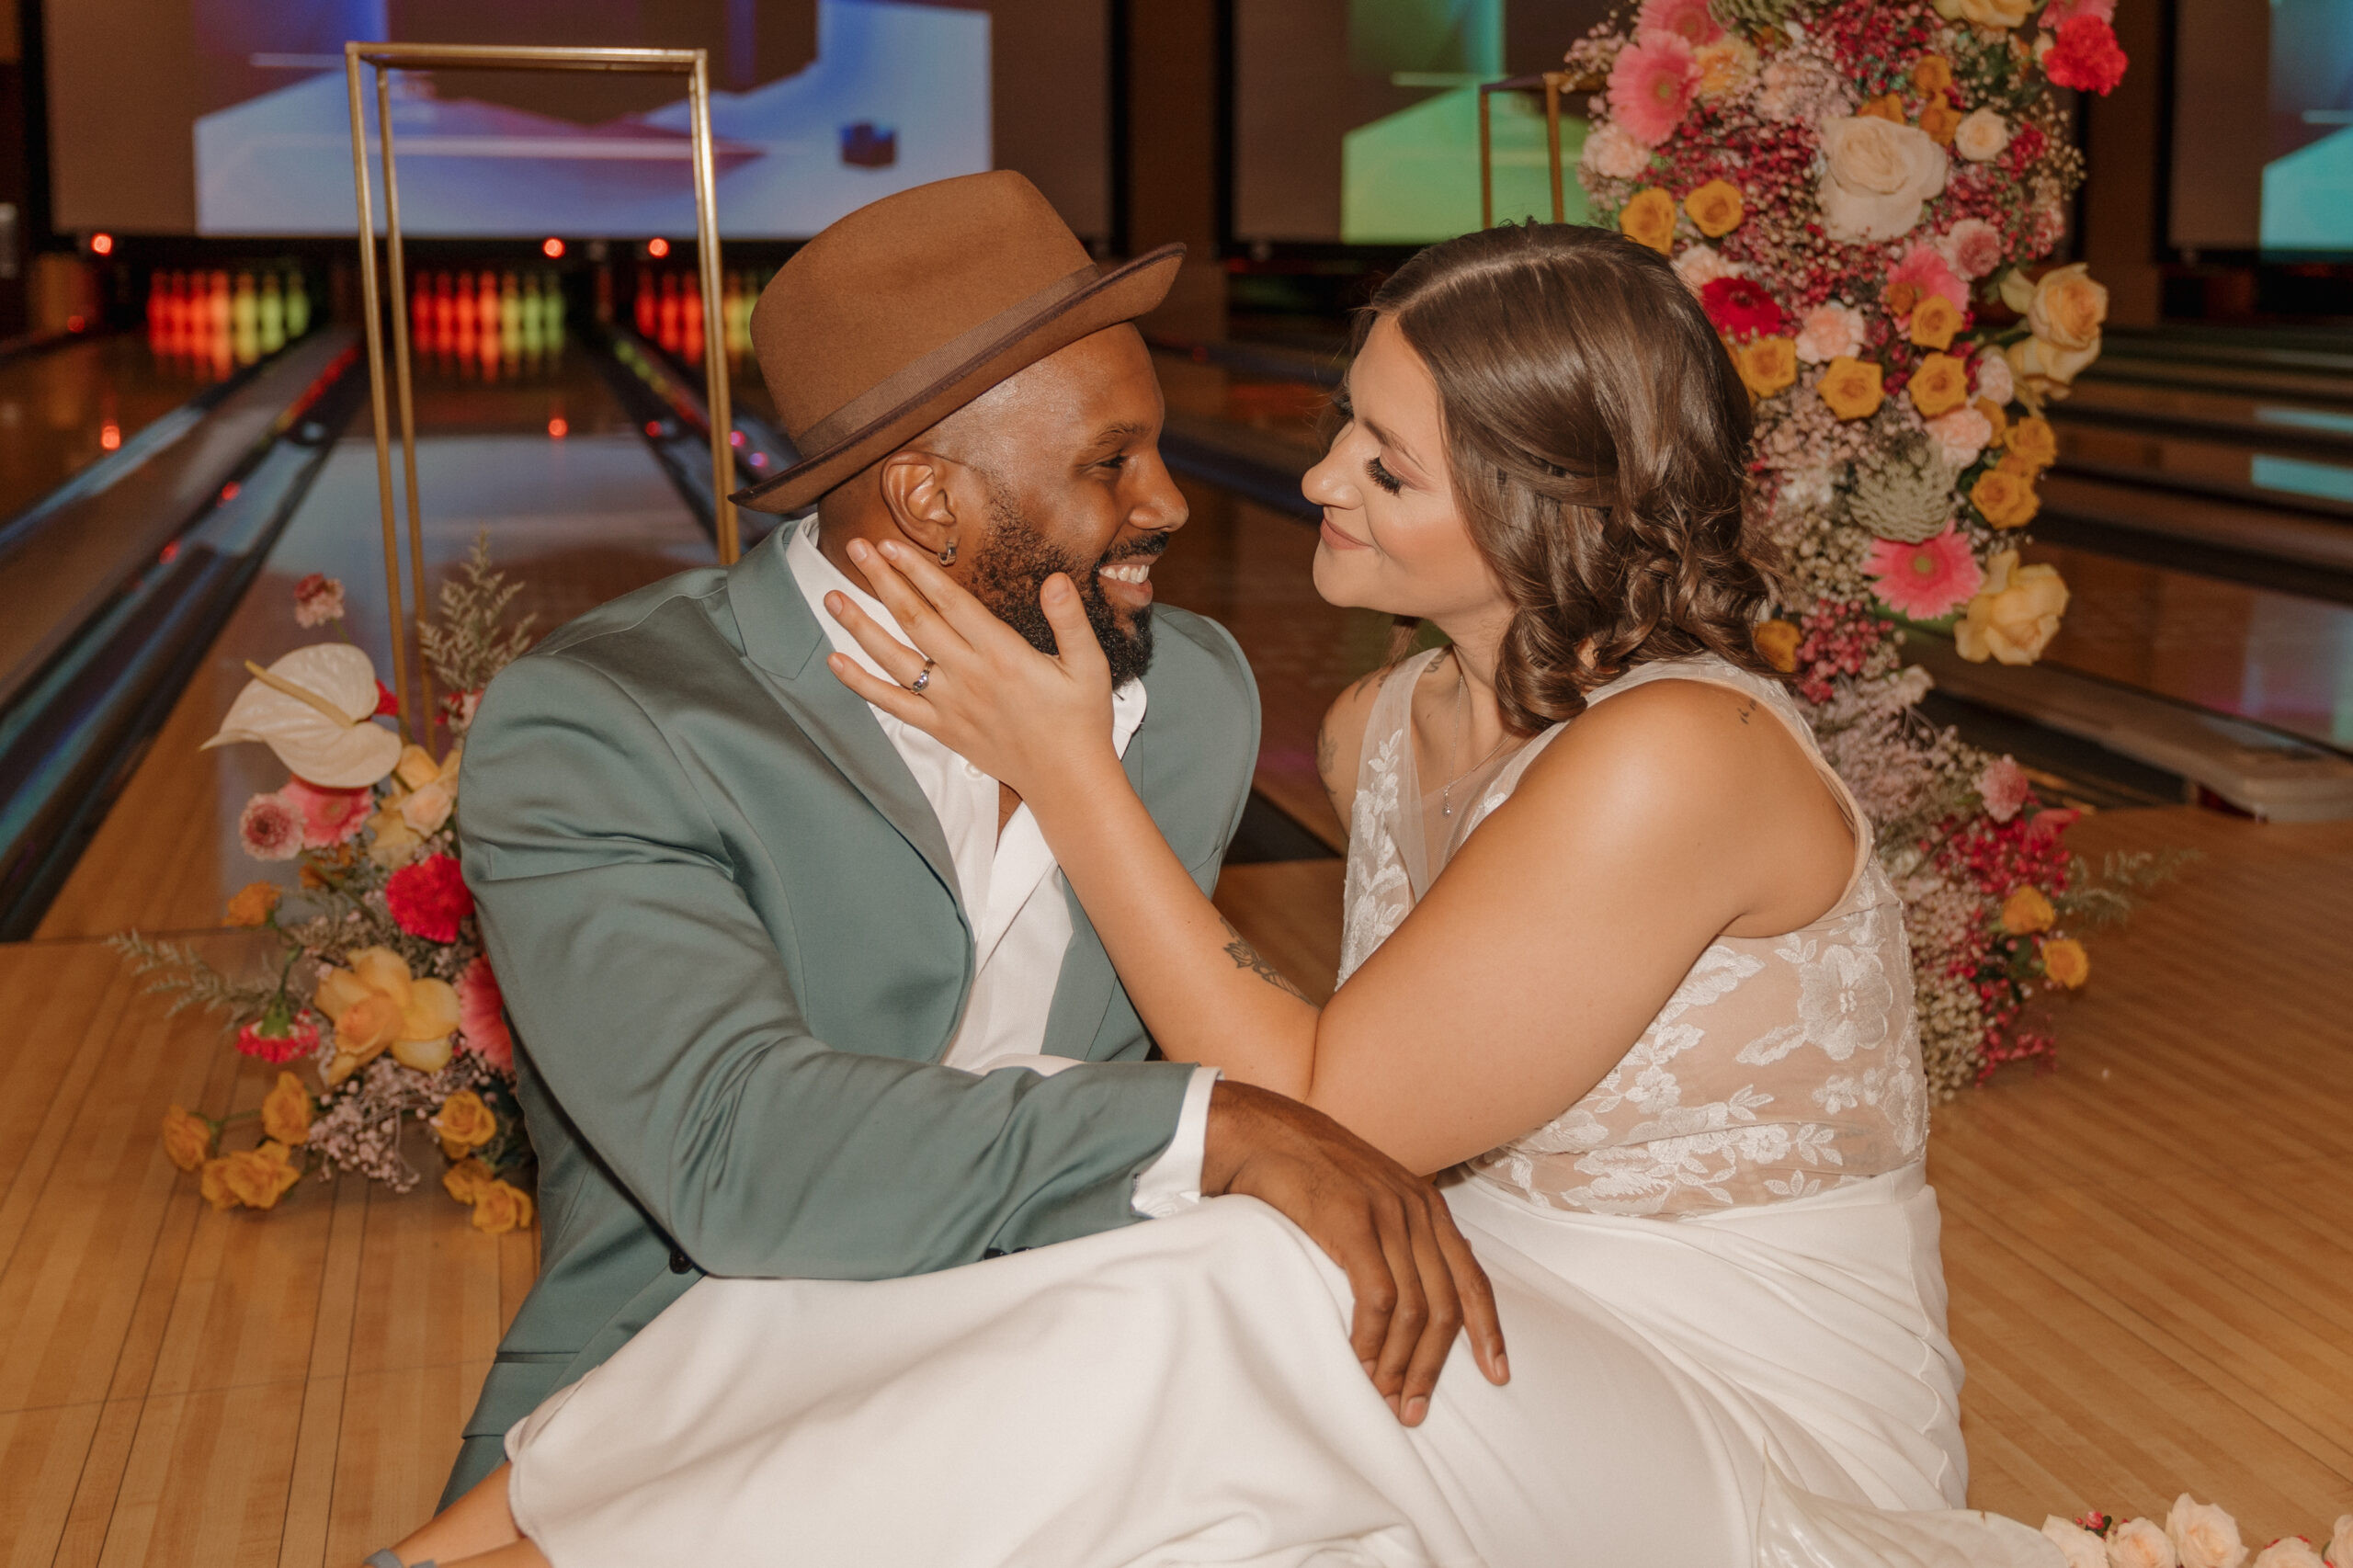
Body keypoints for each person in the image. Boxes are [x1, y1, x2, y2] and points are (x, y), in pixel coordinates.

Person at [389, 222, 2064, 1568]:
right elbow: (773, 1155)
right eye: (1341, 425)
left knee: (1241, 1264)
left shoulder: (1611, 750)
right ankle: (499, 1528)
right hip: (1464, 1331)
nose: (1298, 481)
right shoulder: (1373, 728)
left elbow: (1320, 1104)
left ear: (1534, 503)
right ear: (923, 496)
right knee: (1199, 1263)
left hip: (1724, 1407)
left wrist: (1068, 770)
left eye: (1383, 464)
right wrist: (1224, 1135)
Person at [426, 171, 1501, 1514]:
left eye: (1159, 448)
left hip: (1051, 1360)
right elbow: (734, 1152)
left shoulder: (1195, 701)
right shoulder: (613, 723)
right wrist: (1205, 1126)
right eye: (1111, 463)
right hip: (678, 1399)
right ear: (930, 502)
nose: (1169, 502)